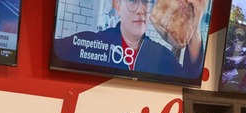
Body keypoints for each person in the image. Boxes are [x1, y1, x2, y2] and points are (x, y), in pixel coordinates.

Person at [52, 0, 208, 79]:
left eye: (146, 1)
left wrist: (196, 22)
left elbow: (191, 76)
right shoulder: (89, 42)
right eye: (133, 0)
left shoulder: (161, 56)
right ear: (118, 6)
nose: (141, 10)